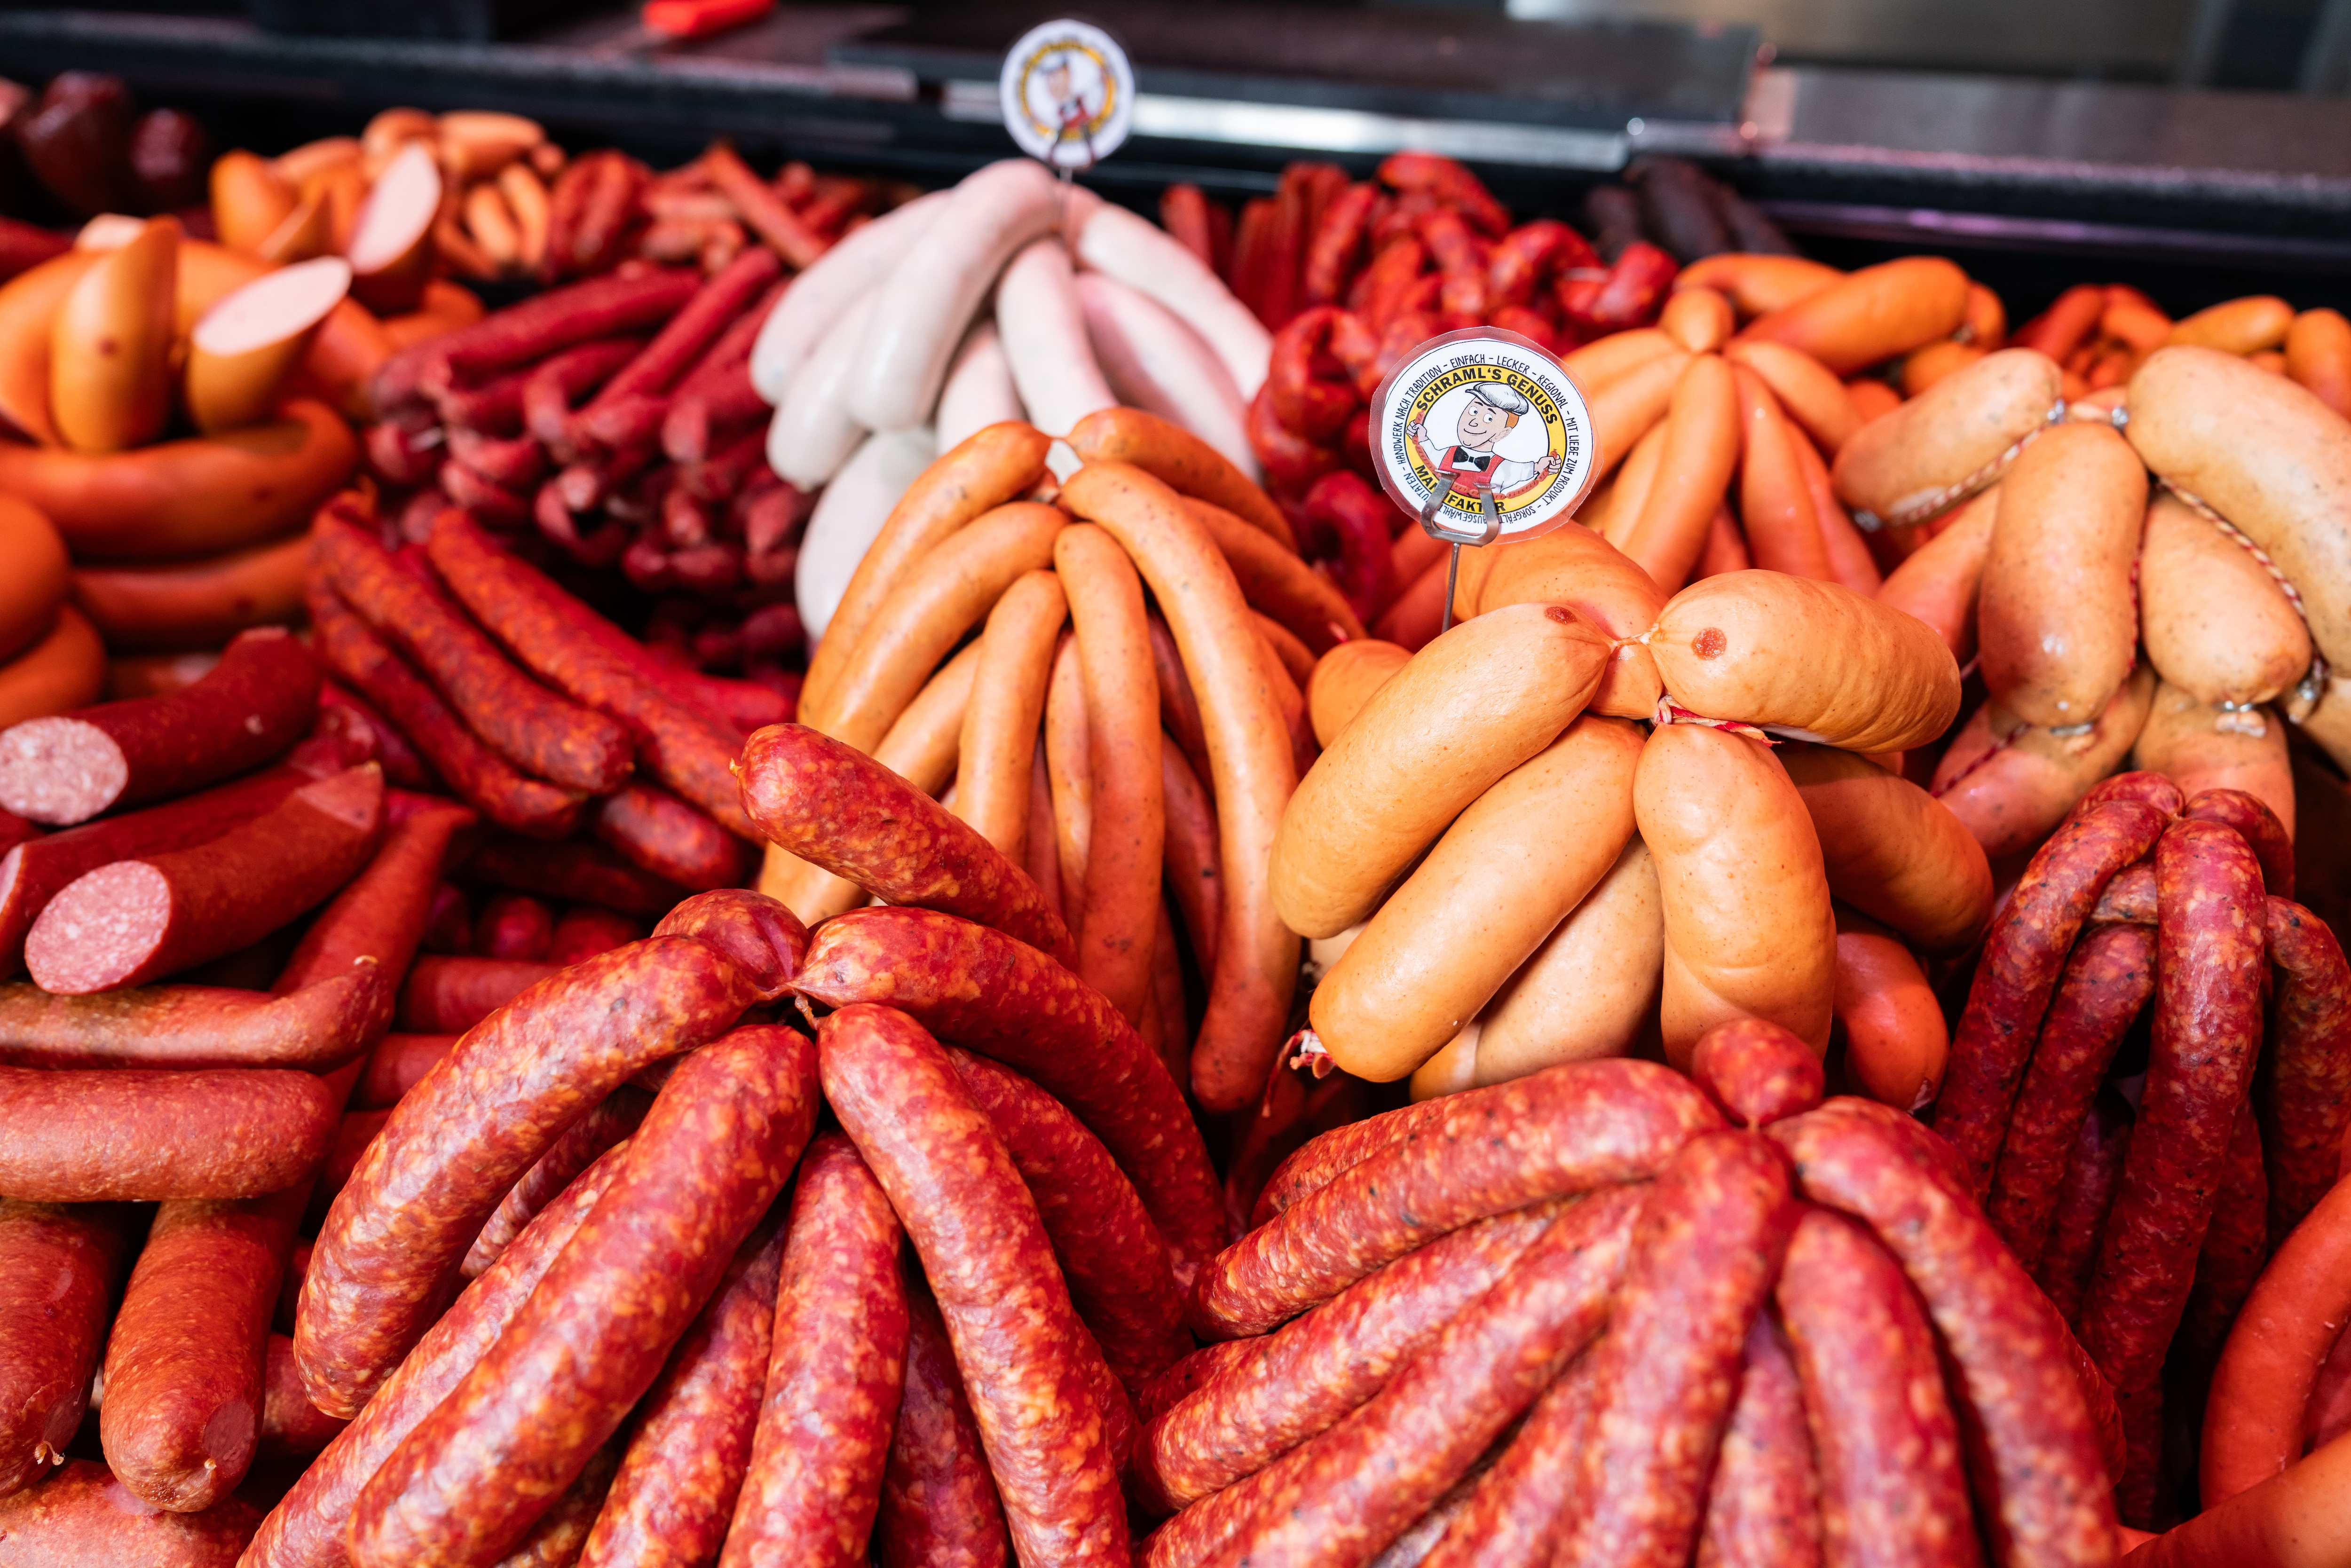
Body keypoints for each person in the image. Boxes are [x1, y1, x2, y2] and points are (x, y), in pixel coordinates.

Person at [1406, 381, 1558, 509]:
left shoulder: (1503, 468)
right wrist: (1422, 438)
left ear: (1502, 434)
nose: (1473, 422)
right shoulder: (1447, 453)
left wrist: (1542, 467)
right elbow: (1428, 456)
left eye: (1489, 419)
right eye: (1473, 411)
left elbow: (1525, 470)